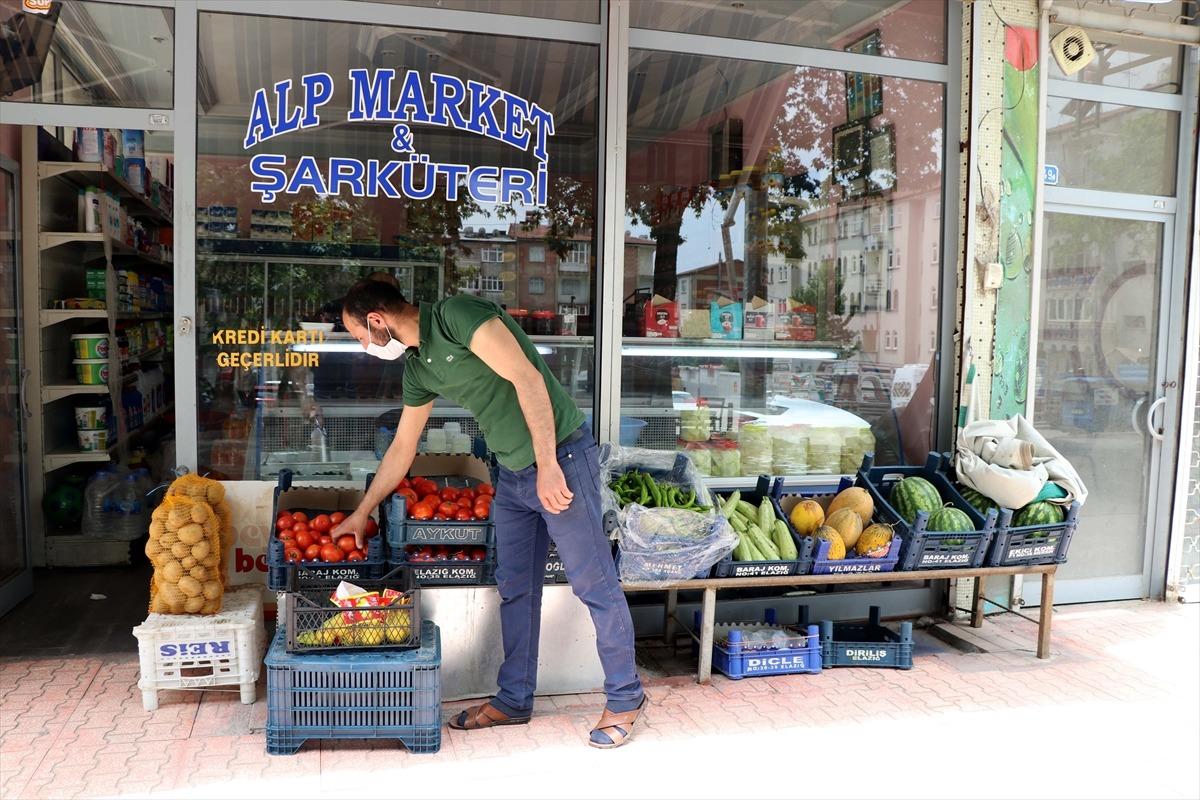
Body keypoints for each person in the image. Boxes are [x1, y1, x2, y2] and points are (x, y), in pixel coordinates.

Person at [331, 279, 647, 748]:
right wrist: (363, 510)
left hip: (559, 457)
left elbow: (528, 377)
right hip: (513, 474)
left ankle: (626, 697)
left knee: (594, 583)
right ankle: (515, 699)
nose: (362, 347)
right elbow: (402, 447)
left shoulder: (456, 315)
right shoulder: (417, 368)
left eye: (358, 336)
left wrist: (547, 467)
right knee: (516, 588)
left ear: (377, 321)